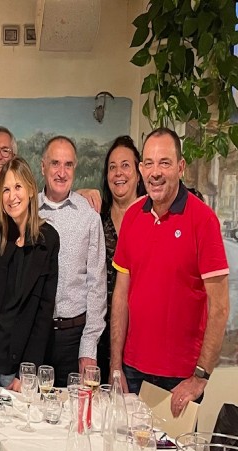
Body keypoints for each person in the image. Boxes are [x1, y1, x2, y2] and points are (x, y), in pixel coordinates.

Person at [110, 128, 229, 417]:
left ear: (180, 167)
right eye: (149, 163)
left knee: (171, 449)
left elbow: (220, 307)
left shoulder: (204, 221)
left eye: (164, 162)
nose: (155, 172)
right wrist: (115, 366)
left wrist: (200, 376)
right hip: (132, 371)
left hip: (181, 379)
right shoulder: (132, 218)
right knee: (125, 446)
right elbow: (121, 296)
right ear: (141, 169)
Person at [0, 158, 59, 390]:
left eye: (18, 187)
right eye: (6, 189)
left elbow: (44, 313)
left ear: (30, 190)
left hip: (20, 370)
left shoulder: (48, 240)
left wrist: (28, 370)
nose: (11, 196)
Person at [38, 136, 106, 386]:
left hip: (74, 337)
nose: (61, 172)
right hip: (35, 335)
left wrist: (88, 348)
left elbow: (97, 285)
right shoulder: (28, 211)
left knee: (75, 407)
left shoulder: (89, 216)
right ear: (43, 166)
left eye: (68, 165)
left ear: (75, 168)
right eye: (55, 163)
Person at [97, 136, 145, 376]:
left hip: (142, 336)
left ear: (139, 172)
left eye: (125, 165)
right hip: (101, 337)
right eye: (112, 167)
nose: (118, 173)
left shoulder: (152, 218)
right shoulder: (97, 218)